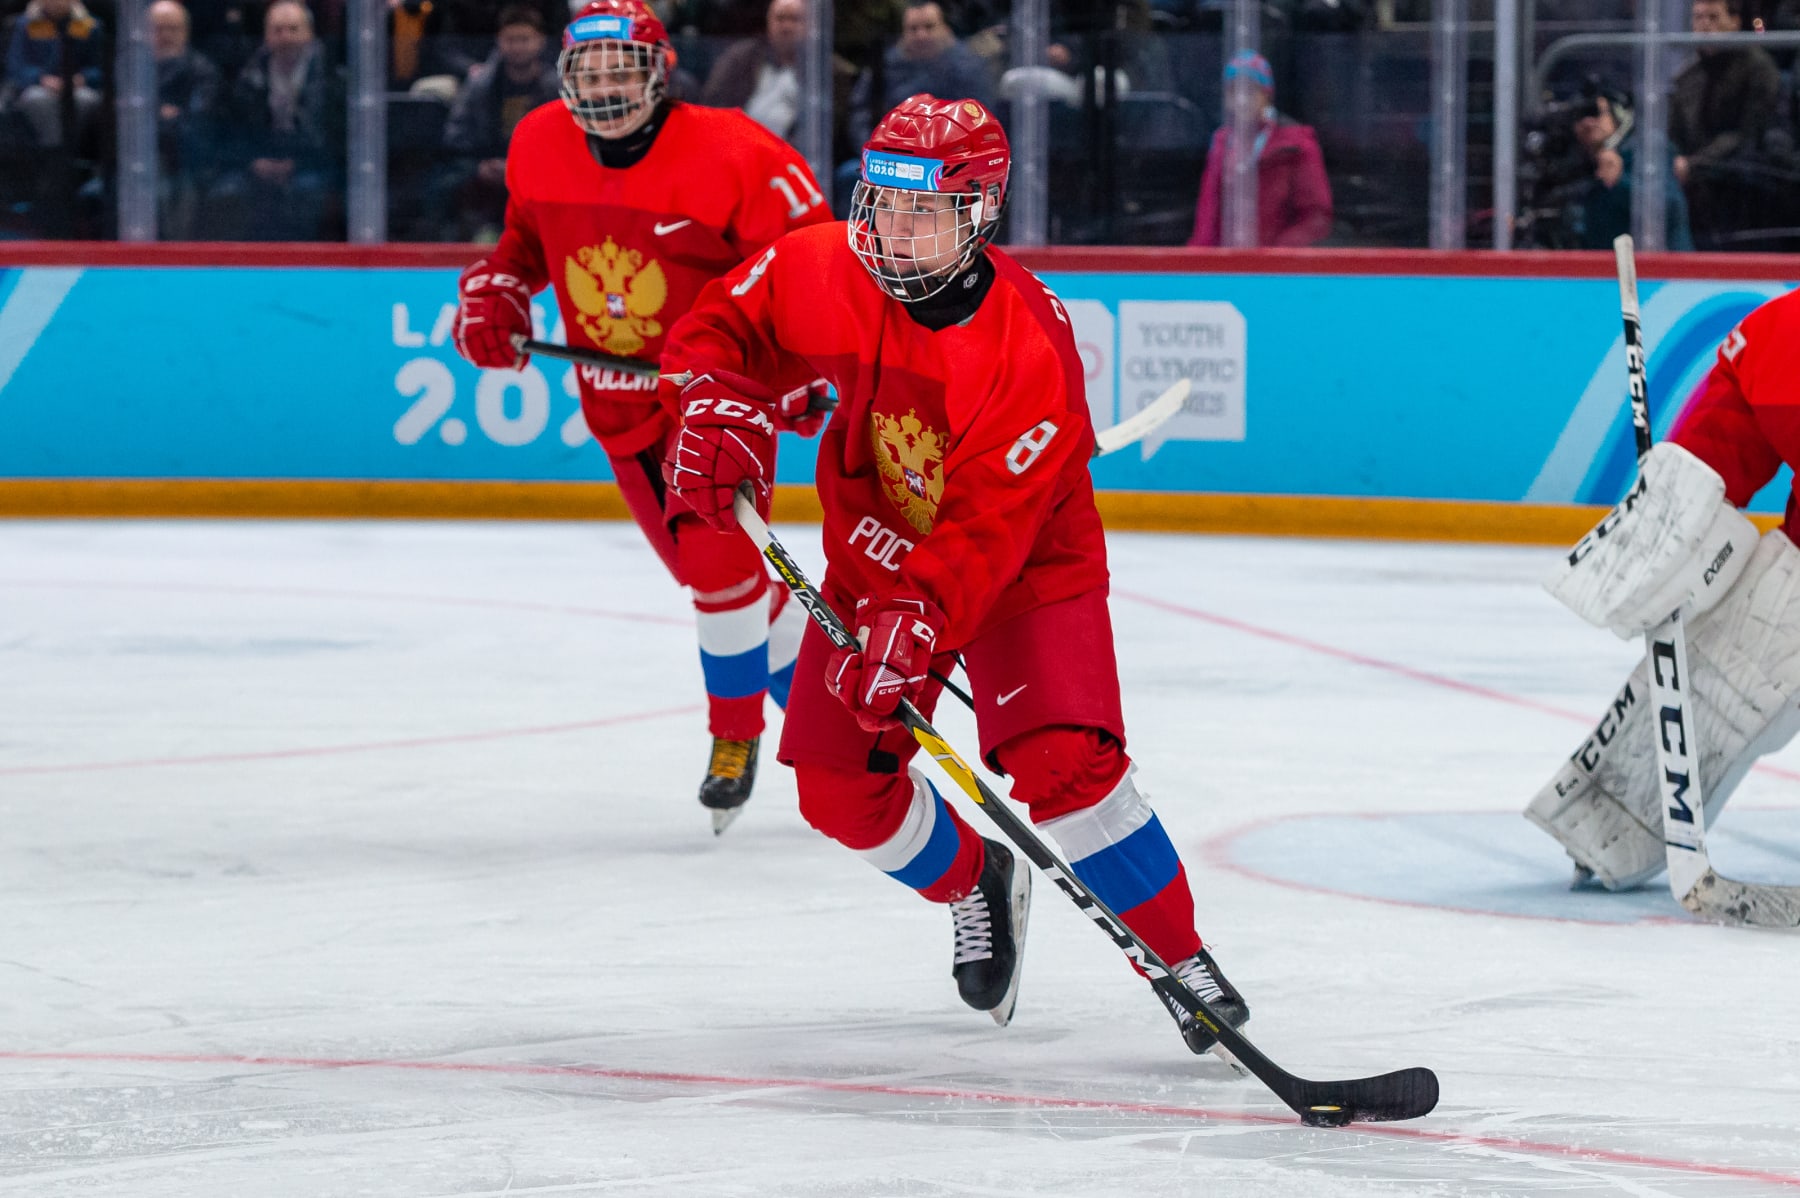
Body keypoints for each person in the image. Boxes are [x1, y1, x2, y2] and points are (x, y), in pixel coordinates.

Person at [658, 94, 1249, 1043]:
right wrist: (717, 397)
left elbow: (987, 527)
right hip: (875, 557)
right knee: (838, 789)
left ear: (978, 213)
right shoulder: (826, 263)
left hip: (1024, 568)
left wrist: (922, 613)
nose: (892, 231)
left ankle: (1181, 958)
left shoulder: (1026, 344)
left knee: (1066, 764)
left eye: (922, 211)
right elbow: (723, 324)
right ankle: (978, 877)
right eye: (883, 204)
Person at [451, 0, 832, 829]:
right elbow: (526, 240)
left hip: (720, 395)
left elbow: (813, 267)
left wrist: (797, 368)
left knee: (720, 569)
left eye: (623, 69)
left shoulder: (736, 150)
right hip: (618, 402)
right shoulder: (537, 140)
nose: (608, 86)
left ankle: (734, 737)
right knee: (727, 588)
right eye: (591, 73)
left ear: (660, 74)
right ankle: (837, 722)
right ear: (565, 80)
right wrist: (501, 290)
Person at [1527, 288, 1800, 892]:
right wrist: (1674, 520)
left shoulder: (1778, 333)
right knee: (1731, 674)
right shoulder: (1783, 337)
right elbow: (1721, 438)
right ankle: (1611, 823)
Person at [206, 0, 343, 240]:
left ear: (309, 33)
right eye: (278, 30)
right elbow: (232, 128)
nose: (286, 37)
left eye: (293, 29)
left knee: (308, 190)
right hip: (258, 160)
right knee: (227, 192)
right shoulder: (248, 75)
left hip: (312, 164)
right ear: (266, 35)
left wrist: (297, 164)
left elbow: (335, 136)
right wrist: (253, 161)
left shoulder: (331, 76)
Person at [438, 4, 560, 240]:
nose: (517, 47)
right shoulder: (480, 86)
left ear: (540, 41)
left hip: (537, 176)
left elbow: (564, 146)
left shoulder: (555, 89)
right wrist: (480, 165)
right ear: (499, 41)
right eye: (511, 40)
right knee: (446, 184)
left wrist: (523, 169)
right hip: (485, 174)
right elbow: (456, 136)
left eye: (524, 39)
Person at [1187, 50, 1332, 249]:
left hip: (1279, 271)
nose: (1241, 100)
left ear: (1266, 94)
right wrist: (1197, 264)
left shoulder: (1297, 144)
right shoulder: (1221, 142)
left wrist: (1274, 257)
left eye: (1250, 91)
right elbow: (1207, 216)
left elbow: (1315, 217)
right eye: (1233, 91)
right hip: (1225, 267)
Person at [1669, 0, 1780, 250]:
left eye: (1713, 17)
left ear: (1735, 22)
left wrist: (1694, 164)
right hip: (1693, 185)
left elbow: (1749, 134)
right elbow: (1672, 135)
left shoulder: (1759, 69)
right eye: (1698, 18)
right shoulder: (1687, 77)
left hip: (1745, 185)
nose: (1705, 26)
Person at [1561, 88, 1692, 251]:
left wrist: (1620, 180)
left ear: (1618, 114)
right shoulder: (1577, 164)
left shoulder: (1648, 149)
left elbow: (1668, 209)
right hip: (1606, 269)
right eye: (1579, 116)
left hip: (1662, 269)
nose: (1587, 122)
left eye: (1594, 112)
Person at [148, 0, 221, 239]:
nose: (165, 35)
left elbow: (197, 120)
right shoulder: (130, 69)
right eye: (158, 28)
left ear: (186, 32)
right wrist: (164, 114)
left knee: (175, 189)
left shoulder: (203, 70)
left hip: (189, 158)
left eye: (173, 28)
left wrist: (156, 116)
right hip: (143, 158)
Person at [5, 0, 105, 150]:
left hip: (78, 87)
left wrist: (83, 78)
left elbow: (99, 67)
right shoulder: (26, 24)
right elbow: (16, 66)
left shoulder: (88, 25)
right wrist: (41, 78)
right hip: (39, 88)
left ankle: (75, 150)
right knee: (37, 99)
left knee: (86, 100)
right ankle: (53, 150)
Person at [699, 0, 803, 142]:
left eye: (794, 19)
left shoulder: (826, 71)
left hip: (796, 155)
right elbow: (713, 107)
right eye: (780, 18)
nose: (786, 26)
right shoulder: (741, 59)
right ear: (768, 22)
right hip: (741, 148)